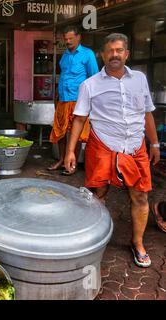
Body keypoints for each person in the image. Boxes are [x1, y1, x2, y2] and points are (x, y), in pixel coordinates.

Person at [64, 33, 161, 268]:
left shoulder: (139, 79)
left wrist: (155, 143)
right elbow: (79, 120)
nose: (114, 55)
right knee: (98, 196)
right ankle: (95, 240)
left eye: (119, 50)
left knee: (140, 195)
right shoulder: (90, 84)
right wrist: (70, 151)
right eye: (110, 51)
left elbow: (146, 113)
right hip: (103, 145)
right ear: (102, 55)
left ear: (126, 54)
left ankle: (137, 243)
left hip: (135, 146)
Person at [48, 26, 99, 175]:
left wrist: (92, 102)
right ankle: (61, 159)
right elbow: (63, 76)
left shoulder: (87, 54)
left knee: (74, 133)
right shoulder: (64, 55)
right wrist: (57, 96)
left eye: (70, 38)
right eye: (66, 39)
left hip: (78, 101)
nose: (68, 41)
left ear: (78, 37)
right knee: (60, 132)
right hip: (63, 99)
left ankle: (71, 163)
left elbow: (94, 78)